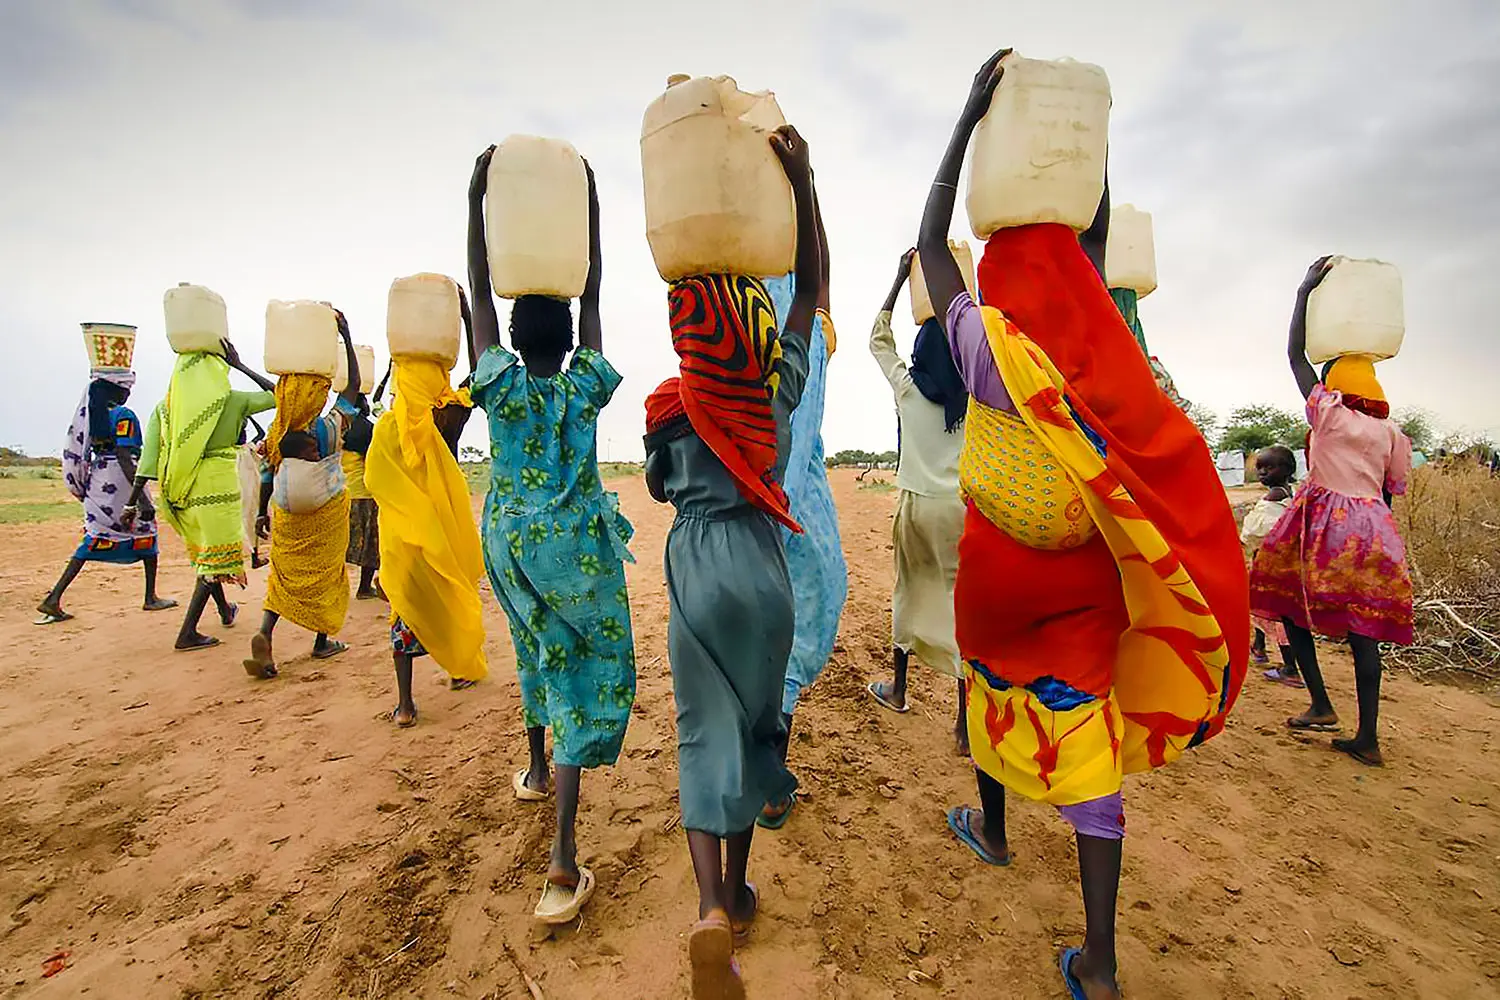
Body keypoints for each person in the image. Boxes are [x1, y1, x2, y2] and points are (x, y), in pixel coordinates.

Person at [919, 51, 1249, 1000]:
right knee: (1086, 730)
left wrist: (968, 121)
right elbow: (1092, 247)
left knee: (987, 690)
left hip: (996, 571)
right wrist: (1089, 154)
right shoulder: (1096, 341)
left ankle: (991, 826)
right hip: (1085, 578)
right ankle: (1099, 961)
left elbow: (931, 244)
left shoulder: (983, 341)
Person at [643, 124, 817, 999]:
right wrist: (803, 180)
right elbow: (807, 295)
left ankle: (712, 908)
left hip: (699, 573)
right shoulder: (776, 393)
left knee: (700, 733)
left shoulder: (676, 409)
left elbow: (656, 488)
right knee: (753, 732)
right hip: (765, 568)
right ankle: (743, 890)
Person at [465, 146, 637, 924]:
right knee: (574, 674)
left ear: (510, 336)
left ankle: (534, 768)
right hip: (576, 553)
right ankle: (563, 864)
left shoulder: (498, 387)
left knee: (536, 646)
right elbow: (595, 294)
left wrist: (475, 209)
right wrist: (593, 217)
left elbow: (478, 303)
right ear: (568, 339)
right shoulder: (583, 387)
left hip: (509, 546)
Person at [1249, 258, 1415, 767]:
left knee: (1284, 602)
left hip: (1322, 525)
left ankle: (1320, 702)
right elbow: (1392, 490)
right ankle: (1367, 735)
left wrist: (1303, 294)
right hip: (1374, 530)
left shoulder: (1330, 413)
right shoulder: (1394, 435)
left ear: (1335, 385)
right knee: (1365, 632)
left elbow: (1294, 356)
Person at [757, 178, 846, 830]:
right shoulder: (811, 324)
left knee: (750, 648)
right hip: (796, 512)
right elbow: (822, 277)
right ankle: (770, 784)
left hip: (745, 507)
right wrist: (806, 186)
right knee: (788, 648)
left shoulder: (747, 311)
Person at [364, 283, 488, 726]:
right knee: (451, 595)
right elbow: (483, 371)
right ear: (437, 378)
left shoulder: (385, 429)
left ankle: (405, 704)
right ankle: (458, 669)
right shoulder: (448, 416)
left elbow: (375, 484)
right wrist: (470, 316)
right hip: (444, 526)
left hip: (402, 536)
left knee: (406, 609)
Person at [864, 249, 968, 751]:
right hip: (963, 511)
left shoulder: (909, 389)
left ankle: (899, 688)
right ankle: (966, 725)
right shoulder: (975, 396)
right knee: (962, 609)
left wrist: (898, 277)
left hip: (916, 507)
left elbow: (877, 340)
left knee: (909, 590)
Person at [131, 336, 278, 651]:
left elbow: (149, 458)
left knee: (209, 555)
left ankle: (225, 609)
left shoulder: (167, 408)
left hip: (183, 487)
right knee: (214, 560)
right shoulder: (232, 400)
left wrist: (133, 501)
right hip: (219, 485)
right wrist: (240, 366)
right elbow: (279, 395)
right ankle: (187, 633)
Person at [241, 316, 363, 679]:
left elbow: (267, 473)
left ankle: (265, 632)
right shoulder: (328, 427)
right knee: (328, 574)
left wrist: (263, 512)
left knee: (282, 577)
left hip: (286, 513)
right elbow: (354, 384)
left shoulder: (280, 431)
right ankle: (322, 640)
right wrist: (345, 333)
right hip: (327, 514)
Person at [36, 369, 177, 624]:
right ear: (116, 390)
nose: (129, 392)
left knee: (95, 537)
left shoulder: (93, 419)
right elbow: (125, 457)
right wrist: (140, 500)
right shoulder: (125, 416)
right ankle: (150, 597)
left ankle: (54, 598)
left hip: (99, 483)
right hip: (122, 482)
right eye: (126, 387)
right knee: (146, 531)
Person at [1241, 445, 1300, 685]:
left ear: (1286, 470)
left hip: (1269, 563)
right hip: (1286, 562)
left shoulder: (1272, 497)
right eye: (1260, 468)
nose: (1262, 472)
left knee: (1274, 612)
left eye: (1269, 467)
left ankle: (1290, 668)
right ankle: (1258, 647)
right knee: (1263, 607)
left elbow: (1254, 530)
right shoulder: (1291, 493)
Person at [344, 374, 382, 601]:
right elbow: (373, 461)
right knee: (370, 544)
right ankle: (364, 588)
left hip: (340, 492)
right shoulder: (365, 428)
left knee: (342, 544)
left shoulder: (338, 425)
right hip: (363, 493)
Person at [237, 418, 269, 570]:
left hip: (238, 486)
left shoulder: (232, 452)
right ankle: (254, 558)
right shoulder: (247, 449)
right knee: (251, 516)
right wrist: (250, 416)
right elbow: (261, 432)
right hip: (249, 485)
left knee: (243, 518)